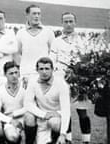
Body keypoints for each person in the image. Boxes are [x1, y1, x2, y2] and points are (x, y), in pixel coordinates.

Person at [51, 12, 91, 144]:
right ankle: (68, 140)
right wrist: (63, 71)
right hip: (62, 80)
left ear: (75, 23)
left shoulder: (83, 40)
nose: (68, 24)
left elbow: (87, 61)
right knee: (64, 112)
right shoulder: (56, 41)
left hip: (79, 82)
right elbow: (52, 61)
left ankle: (86, 141)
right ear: (62, 23)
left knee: (82, 112)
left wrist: (78, 71)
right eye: (65, 21)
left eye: (71, 21)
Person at [25, 57, 70, 144]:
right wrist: (44, 114)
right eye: (41, 69)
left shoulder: (61, 84)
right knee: (28, 116)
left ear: (52, 69)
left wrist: (63, 134)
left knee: (54, 122)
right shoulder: (33, 82)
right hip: (42, 118)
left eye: (47, 68)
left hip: (56, 117)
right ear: (37, 70)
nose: (44, 72)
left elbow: (66, 110)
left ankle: (59, 139)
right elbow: (28, 103)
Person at [0, 61, 34, 144]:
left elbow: (31, 105)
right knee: (12, 137)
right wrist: (10, 120)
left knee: (30, 118)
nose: (14, 76)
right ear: (5, 74)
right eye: (11, 73)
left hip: (25, 117)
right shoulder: (0, 91)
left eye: (16, 72)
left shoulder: (25, 85)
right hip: (10, 120)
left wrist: (14, 113)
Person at [15, 4, 55, 77]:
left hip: (44, 74)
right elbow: (17, 53)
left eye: (39, 14)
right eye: (34, 14)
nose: (37, 16)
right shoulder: (20, 33)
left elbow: (53, 52)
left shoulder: (48, 32)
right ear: (27, 15)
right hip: (26, 73)